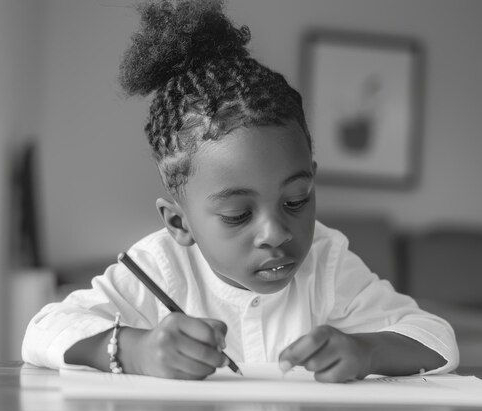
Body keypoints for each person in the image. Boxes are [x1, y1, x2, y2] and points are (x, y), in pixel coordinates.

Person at [22, 0, 458, 383]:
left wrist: (366, 351)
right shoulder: (158, 268)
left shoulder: (327, 264)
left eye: (296, 201)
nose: (276, 233)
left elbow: (436, 339)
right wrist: (133, 350)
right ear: (179, 222)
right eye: (237, 214)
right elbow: (43, 329)